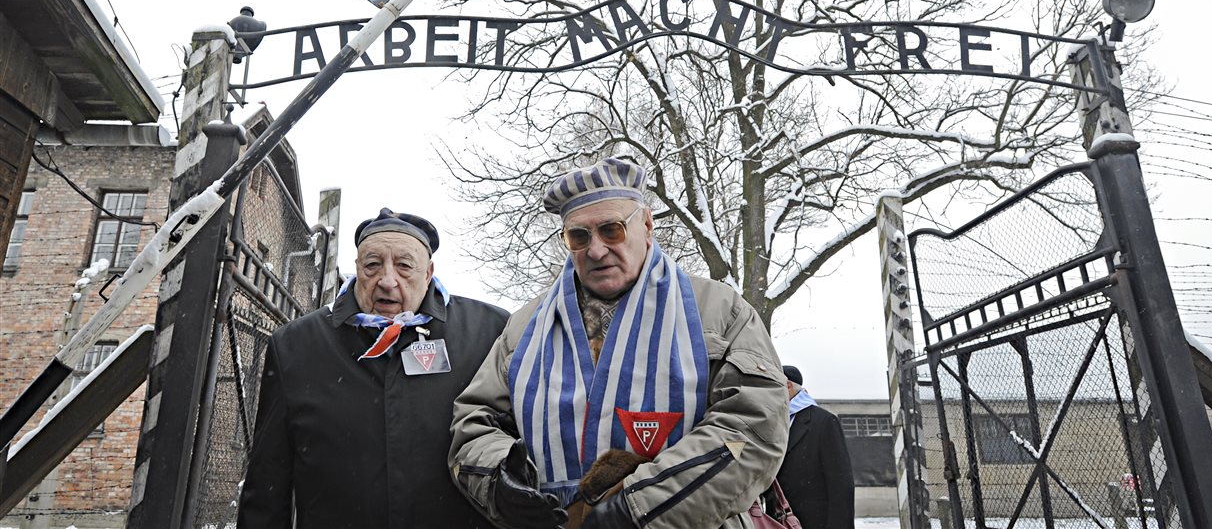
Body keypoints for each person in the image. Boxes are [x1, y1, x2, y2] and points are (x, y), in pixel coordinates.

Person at [449, 156, 789, 529]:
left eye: (611, 230)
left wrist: (637, 508)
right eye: (578, 236)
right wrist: (500, 483)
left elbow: (754, 430)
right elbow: (475, 423)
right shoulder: (524, 327)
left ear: (646, 226)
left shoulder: (720, 311)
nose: (595, 250)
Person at [238, 208, 509, 529]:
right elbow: (268, 481)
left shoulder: (489, 333)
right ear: (356, 269)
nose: (388, 281)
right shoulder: (297, 345)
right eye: (372, 265)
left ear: (429, 273)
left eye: (405, 266)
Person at [775, 365, 855, 529]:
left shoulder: (824, 422)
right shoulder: (774, 422)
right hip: (778, 521)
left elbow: (840, 483)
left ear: (788, 386)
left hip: (815, 521)